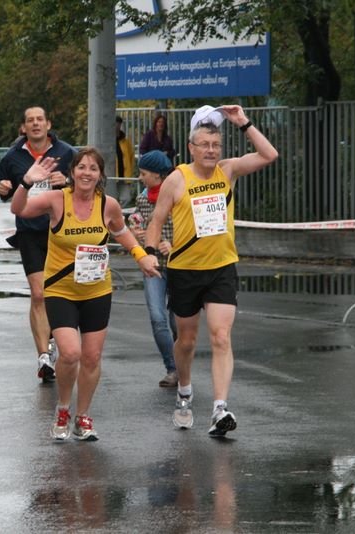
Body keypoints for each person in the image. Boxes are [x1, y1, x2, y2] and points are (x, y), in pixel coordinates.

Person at [145, 104, 278, 436]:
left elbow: (269, 154)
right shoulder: (178, 178)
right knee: (187, 341)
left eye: (215, 145)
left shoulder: (227, 170)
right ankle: (185, 391)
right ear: (191, 147)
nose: (210, 150)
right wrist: (148, 253)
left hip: (221, 267)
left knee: (221, 336)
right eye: (204, 144)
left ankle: (220, 408)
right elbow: (156, 221)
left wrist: (243, 122)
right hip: (184, 270)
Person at [11, 147, 160, 441]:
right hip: (60, 289)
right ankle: (63, 408)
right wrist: (26, 182)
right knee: (70, 353)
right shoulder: (56, 200)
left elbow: (121, 232)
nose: (86, 173)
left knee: (91, 357)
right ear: (72, 172)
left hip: (96, 289)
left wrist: (141, 255)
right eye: (81, 167)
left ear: (100, 175)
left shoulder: (109, 205)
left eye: (93, 168)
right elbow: (19, 209)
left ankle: (83, 416)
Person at [0, 106, 77, 383]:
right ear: (24, 127)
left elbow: (88, 184)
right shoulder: (12, 157)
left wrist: (68, 181)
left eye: (39, 120)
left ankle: (55, 336)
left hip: (61, 231)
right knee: (39, 293)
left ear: (48, 124)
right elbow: (5, 191)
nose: (35, 124)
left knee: (60, 292)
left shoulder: (67, 153)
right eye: (29, 120)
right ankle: (44, 356)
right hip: (30, 231)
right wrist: (4, 189)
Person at [129, 150, 178, 388]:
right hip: (154, 266)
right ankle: (172, 369)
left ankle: (182, 363)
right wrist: (138, 236)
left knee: (177, 321)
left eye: (144, 173)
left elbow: (197, 228)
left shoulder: (181, 194)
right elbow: (138, 225)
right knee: (157, 317)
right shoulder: (142, 199)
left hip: (181, 265)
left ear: (158, 175)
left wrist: (175, 244)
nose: (140, 178)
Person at [115, 116, 136, 208]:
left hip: (124, 175)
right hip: (112, 175)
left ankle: (118, 211)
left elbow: (131, 157)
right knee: (111, 197)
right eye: (115, 124)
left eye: (119, 124)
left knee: (126, 197)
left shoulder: (126, 141)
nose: (117, 126)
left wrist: (130, 173)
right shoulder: (107, 142)